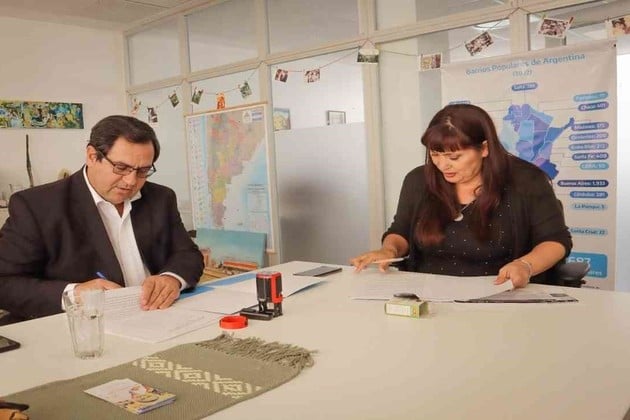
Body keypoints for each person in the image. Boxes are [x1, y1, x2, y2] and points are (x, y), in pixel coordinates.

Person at [0, 115, 204, 323]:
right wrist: (74, 295)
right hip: (80, 326)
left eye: (143, 171)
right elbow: (5, 283)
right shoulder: (37, 206)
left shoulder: (161, 198)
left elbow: (187, 254)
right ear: (92, 156)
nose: (131, 181)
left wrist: (171, 278)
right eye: (121, 168)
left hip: (156, 318)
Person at [350, 104, 572, 288]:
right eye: (435, 154)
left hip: (499, 292)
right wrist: (389, 250)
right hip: (426, 292)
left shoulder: (526, 180)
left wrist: (525, 265)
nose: (442, 165)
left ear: (484, 149)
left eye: (454, 157)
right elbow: (400, 231)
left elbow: (555, 241)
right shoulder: (418, 180)